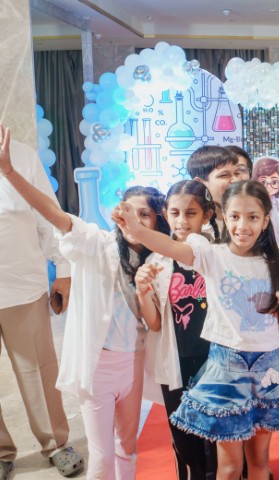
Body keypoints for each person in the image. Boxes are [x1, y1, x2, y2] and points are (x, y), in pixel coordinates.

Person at [0, 128, 172, 479]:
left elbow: (154, 323)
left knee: (127, 448)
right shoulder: (96, 244)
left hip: (133, 364)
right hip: (98, 370)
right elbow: (55, 215)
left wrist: (144, 289)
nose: (135, 221)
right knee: (102, 458)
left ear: (158, 221)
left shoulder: (160, 262)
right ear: (117, 213)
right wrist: (9, 172)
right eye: (129, 211)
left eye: (146, 215)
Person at [113, 180, 279, 480]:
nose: (243, 226)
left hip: (267, 369)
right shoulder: (211, 254)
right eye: (235, 216)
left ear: (266, 220)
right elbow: (170, 247)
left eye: (252, 217)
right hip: (227, 370)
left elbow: (276, 323)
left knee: (259, 462)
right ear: (223, 216)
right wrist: (136, 229)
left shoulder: (278, 261)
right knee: (229, 466)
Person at [0, 126, 84, 479]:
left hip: (21, 286)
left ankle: (55, 443)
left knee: (37, 367)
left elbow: (47, 215)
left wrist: (63, 267)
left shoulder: (21, 155)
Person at [135, 180, 219, 479]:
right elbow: (155, 323)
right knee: (185, 439)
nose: (182, 220)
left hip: (216, 361)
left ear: (207, 215)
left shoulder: (216, 254)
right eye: (175, 213)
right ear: (165, 213)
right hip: (176, 362)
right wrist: (142, 289)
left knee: (220, 435)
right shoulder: (156, 261)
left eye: (191, 213)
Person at [187, 145, 243, 235]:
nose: (236, 180)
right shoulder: (191, 229)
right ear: (200, 183)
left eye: (237, 173)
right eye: (224, 175)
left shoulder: (253, 218)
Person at [252, 156, 279, 243]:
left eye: (274, 182)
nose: (268, 186)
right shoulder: (254, 201)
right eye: (263, 182)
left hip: (275, 235)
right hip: (259, 235)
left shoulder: (274, 200)